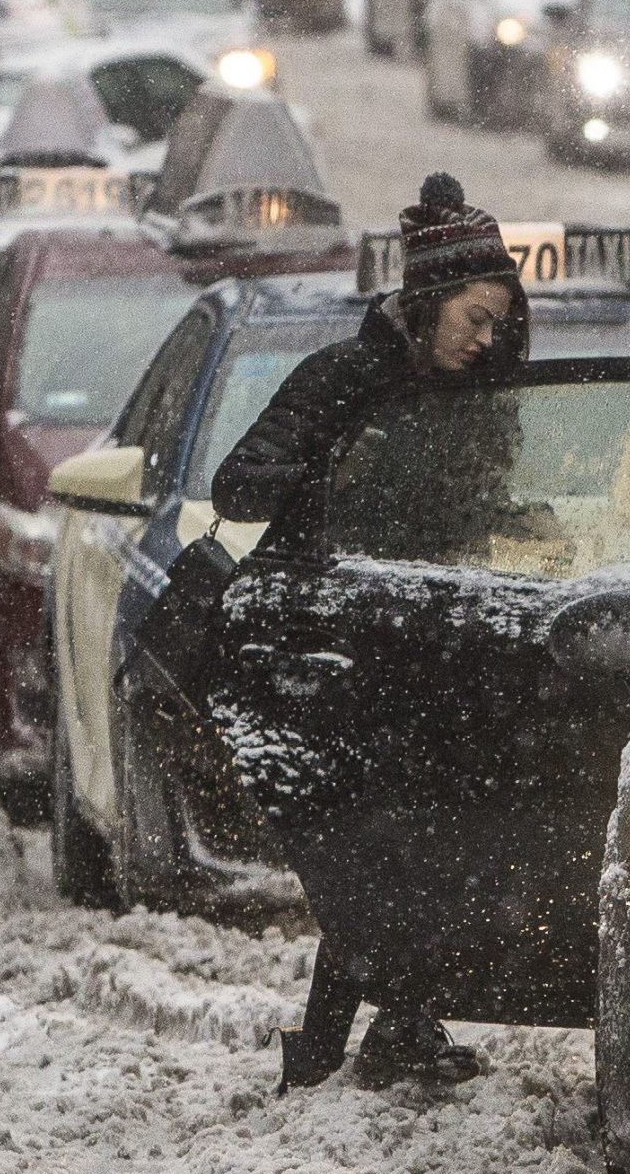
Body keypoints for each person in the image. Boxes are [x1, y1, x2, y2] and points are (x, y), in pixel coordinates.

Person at [210, 171, 532, 1092]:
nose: (488, 336)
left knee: (414, 860)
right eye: (475, 316)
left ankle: (393, 1031)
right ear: (429, 301)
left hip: (434, 655)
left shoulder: (482, 398)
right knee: (371, 865)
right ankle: (329, 1052)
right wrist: (322, 474)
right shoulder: (343, 382)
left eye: (500, 320)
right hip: (337, 661)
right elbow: (241, 486)